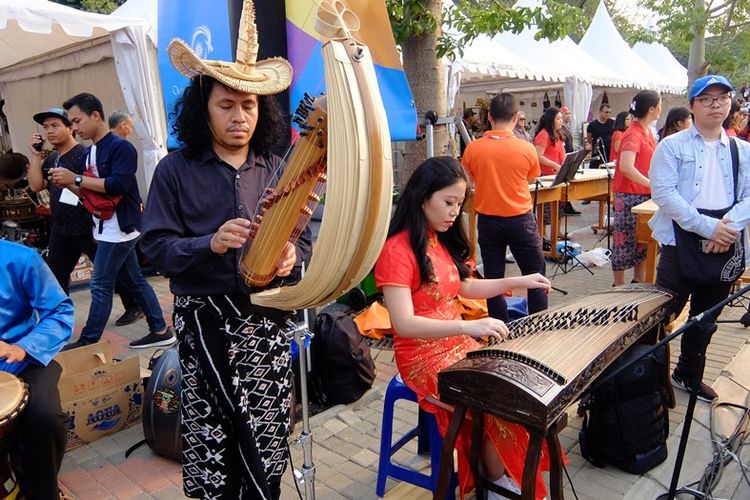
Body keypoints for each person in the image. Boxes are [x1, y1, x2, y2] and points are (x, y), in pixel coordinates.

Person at [138, 4, 311, 497]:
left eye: (249, 106)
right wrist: (207, 243)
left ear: (263, 110)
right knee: (212, 434)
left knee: (267, 433)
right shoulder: (175, 170)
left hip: (264, 321)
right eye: (226, 105)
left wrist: (292, 258)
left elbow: (304, 235)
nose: (240, 116)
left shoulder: (279, 166)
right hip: (204, 321)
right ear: (202, 108)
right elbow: (154, 248)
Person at [375, 156, 553, 499]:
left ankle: (502, 477)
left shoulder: (438, 239)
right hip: (421, 358)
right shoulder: (397, 251)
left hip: (455, 343)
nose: (455, 212)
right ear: (423, 197)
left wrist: (520, 279)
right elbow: (404, 324)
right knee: (491, 398)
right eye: (448, 202)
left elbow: (466, 287)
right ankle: (499, 482)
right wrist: (468, 326)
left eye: (459, 204)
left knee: (514, 386)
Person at [650, 74, 750, 402]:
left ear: (730, 103)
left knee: (706, 318)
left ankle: (688, 373)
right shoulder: (672, 146)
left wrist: (726, 228)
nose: (715, 104)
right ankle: (651, 380)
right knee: (661, 315)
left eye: (721, 98)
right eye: (706, 99)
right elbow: (664, 193)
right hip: (681, 243)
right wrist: (708, 228)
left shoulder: (741, 150)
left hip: (726, 243)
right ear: (692, 106)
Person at [48, 92, 173, 350]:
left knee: (100, 283)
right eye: (71, 123)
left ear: (96, 115)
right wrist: (69, 183)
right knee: (135, 280)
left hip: (122, 228)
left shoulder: (120, 147)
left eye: (77, 120)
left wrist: (76, 179)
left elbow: (118, 185)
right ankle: (160, 329)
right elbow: (89, 193)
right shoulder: (89, 152)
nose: (75, 128)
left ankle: (89, 340)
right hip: (104, 225)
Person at [0, 162, 73, 500]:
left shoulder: (20, 259)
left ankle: (43, 492)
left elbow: (60, 310)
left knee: (45, 419)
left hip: (23, 360)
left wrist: (24, 347)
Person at [462, 92, 548, 322]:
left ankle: (500, 331)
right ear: (515, 117)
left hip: (489, 221)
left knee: (493, 279)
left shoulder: (473, 149)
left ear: (489, 117)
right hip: (520, 219)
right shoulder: (526, 149)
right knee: (535, 275)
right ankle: (538, 328)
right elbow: (530, 179)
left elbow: (469, 181)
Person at [26, 107, 91, 293]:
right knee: (55, 273)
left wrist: (71, 181)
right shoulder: (53, 158)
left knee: (112, 272)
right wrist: (36, 155)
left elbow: (92, 188)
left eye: (55, 125)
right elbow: (36, 186)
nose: (49, 131)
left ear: (70, 127)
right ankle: (59, 313)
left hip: (86, 225)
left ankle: (135, 305)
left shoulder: (83, 154)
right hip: (61, 227)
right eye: (46, 127)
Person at [611, 91, 661, 286]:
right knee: (624, 240)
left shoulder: (647, 132)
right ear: (651, 109)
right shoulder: (632, 133)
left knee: (644, 240)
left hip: (644, 193)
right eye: (659, 104)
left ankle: (638, 280)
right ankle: (618, 285)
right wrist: (650, 183)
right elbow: (626, 166)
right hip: (629, 194)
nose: (660, 108)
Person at [107, 109, 144, 326]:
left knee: (126, 272)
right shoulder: (118, 146)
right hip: (119, 217)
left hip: (120, 218)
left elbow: (124, 183)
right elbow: (122, 183)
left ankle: (153, 320)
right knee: (128, 272)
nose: (131, 129)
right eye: (129, 125)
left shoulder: (114, 147)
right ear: (122, 125)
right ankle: (155, 321)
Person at [586, 103, 614, 168]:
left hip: (609, 151)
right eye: (606, 112)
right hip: (597, 152)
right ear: (600, 112)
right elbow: (589, 138)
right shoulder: (592, 125)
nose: (608, 114)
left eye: (610, 112)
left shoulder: (612, 123)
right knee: (593, 169)